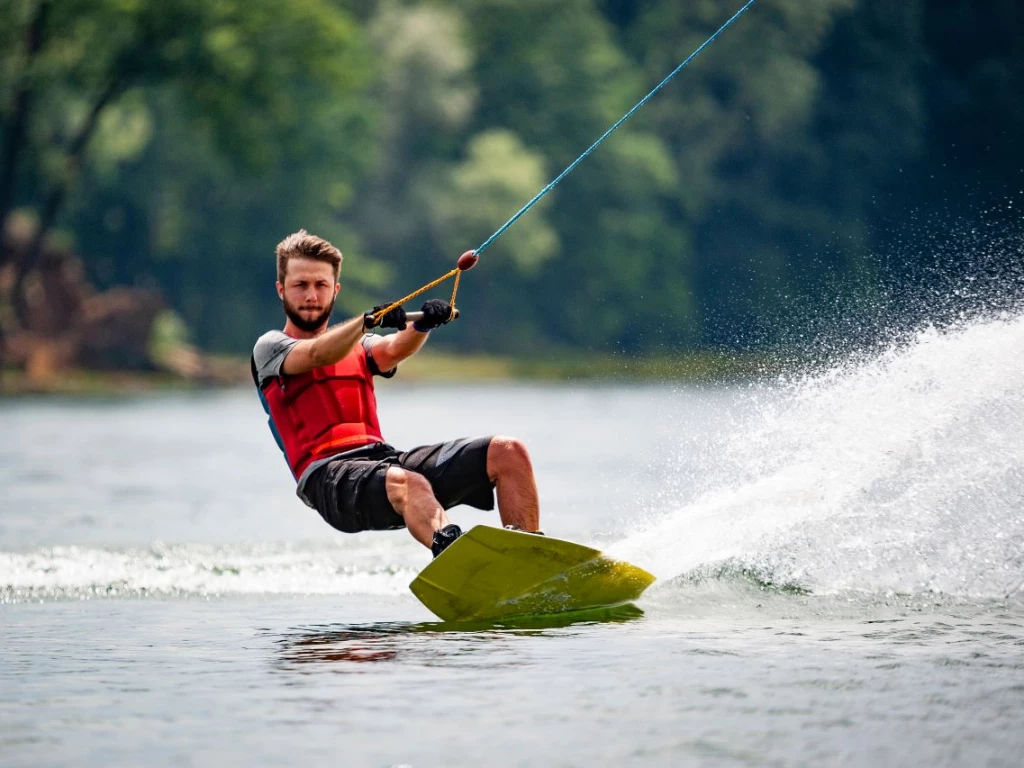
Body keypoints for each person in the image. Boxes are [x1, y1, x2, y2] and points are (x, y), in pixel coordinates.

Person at [251, 230, 542, 557]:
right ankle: (458, 557)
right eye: (300, 285)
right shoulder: (270, 348)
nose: (311, 295)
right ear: (281, 290)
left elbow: (392, 349)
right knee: (410, 482)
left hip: (381, 460)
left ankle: (528, 560)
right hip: (328, 480)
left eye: (320, 285)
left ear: (335, 290)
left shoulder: (358, 345)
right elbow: (318, 354)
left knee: (507, 451)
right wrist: (365, 322)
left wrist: (422, 325)